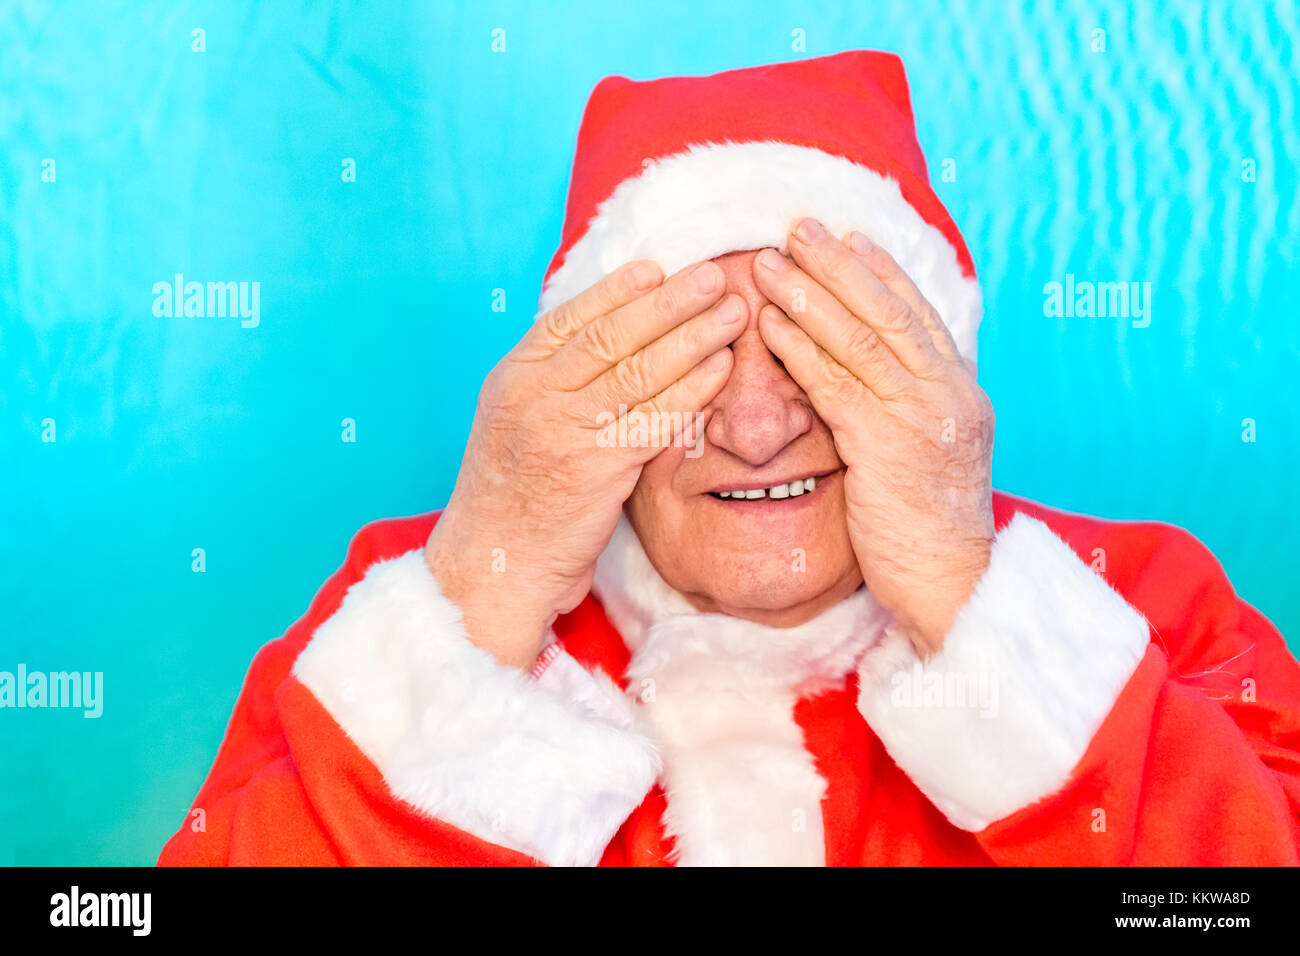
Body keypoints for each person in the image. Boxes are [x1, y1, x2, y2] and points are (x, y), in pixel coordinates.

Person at [160, 51, 1300, 866]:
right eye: (689, 354)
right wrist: (485, 597)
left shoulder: (1138, 604)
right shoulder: (424, 602)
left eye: (816, 344)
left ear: (928, 359)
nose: (754, 429)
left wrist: (962, 586)